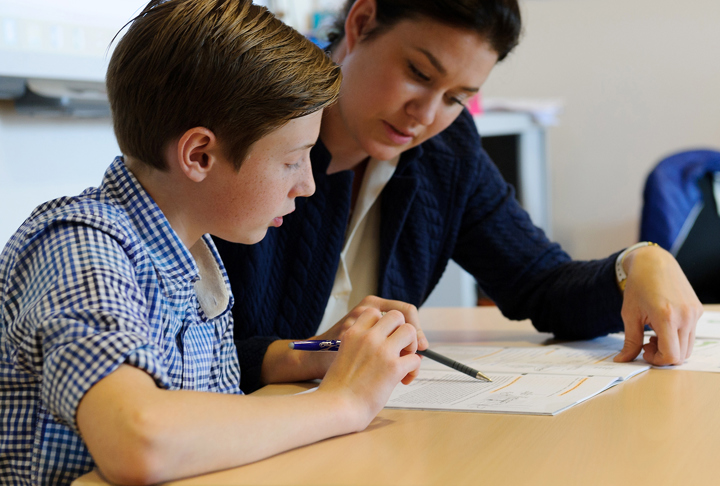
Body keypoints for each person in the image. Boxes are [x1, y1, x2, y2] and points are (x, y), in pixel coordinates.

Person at [0, 1, 423, 486]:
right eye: (293, 160)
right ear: (199, 156)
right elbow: (140, 440)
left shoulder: (196, 256)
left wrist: (323, 353)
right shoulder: (79, 247)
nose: (308, 185)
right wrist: (345, 403)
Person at [214, 0, 702, 395]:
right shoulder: (255, 124)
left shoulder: (444, 150)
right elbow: (189, 356)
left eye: (456, 97)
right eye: (419, 74)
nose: (424, 115)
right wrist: (309, 353)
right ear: (362, 23)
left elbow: (540, 283)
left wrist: (636, 264)